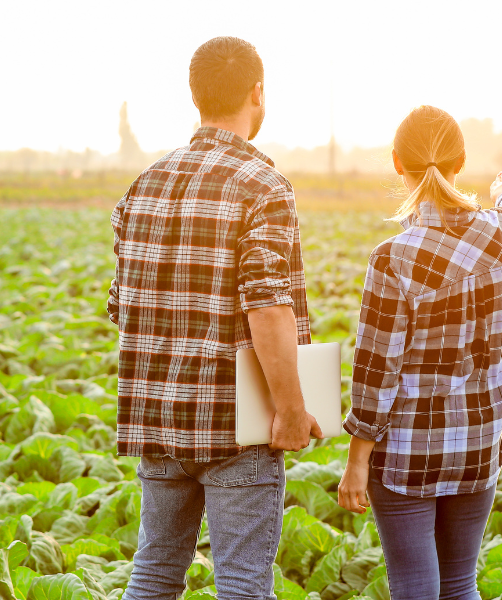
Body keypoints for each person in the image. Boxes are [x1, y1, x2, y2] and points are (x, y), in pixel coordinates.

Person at [108, 36, 320, 600]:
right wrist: (293, 409)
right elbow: (268, 305)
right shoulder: (262, 185)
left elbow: (120, 305)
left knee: (154, 574)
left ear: (195, 97)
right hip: (238, 425)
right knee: (244, 584)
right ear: (258, 93)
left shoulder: (144, 185)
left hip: (156, 421)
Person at [336, 105, 502, 600]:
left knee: (414, 588)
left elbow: (376, 366)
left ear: (397, 163)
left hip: (407, 452)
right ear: (460, 162)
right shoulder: (498, 235)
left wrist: (357, 459)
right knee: (460, 586)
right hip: (478, 446)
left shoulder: (393, 257)